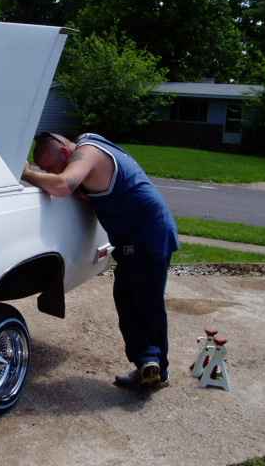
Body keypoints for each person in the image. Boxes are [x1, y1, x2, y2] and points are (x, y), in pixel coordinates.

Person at [22, 132, 179, 390]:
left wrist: (27, 173)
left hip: (147, 233)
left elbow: (62, 185)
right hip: (142, 233)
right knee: (130, 298)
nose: (51, 173)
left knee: (145, 300)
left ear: (65, 152)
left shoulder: (88, 153)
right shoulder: (91, 148)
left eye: (52, 168)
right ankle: (149, 363)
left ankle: (155, 366)